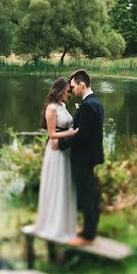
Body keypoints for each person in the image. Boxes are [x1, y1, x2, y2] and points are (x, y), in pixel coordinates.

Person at [52, 69, 104, 246]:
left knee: (86, 194)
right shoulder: (94, 102)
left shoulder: (88, 105)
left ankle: (88, 236)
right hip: (90, 155)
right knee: (88, 192)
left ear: (82, 85)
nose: (72, 90)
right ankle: (89, 230)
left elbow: (83, 136)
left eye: (73, 86)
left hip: (84, 157)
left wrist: (61, 144)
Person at [32, 77, 80, 242]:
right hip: (56, 151)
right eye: (68, 91)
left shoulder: (63, 106)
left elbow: (66, 125)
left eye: (70, 91)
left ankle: (65, 223)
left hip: (65, 149)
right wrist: (72, 133)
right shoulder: (51, 108)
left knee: (65, 184)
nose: (70, 94)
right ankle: (53, 224)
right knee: (57, 184)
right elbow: (51, 134)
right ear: (59, 90)